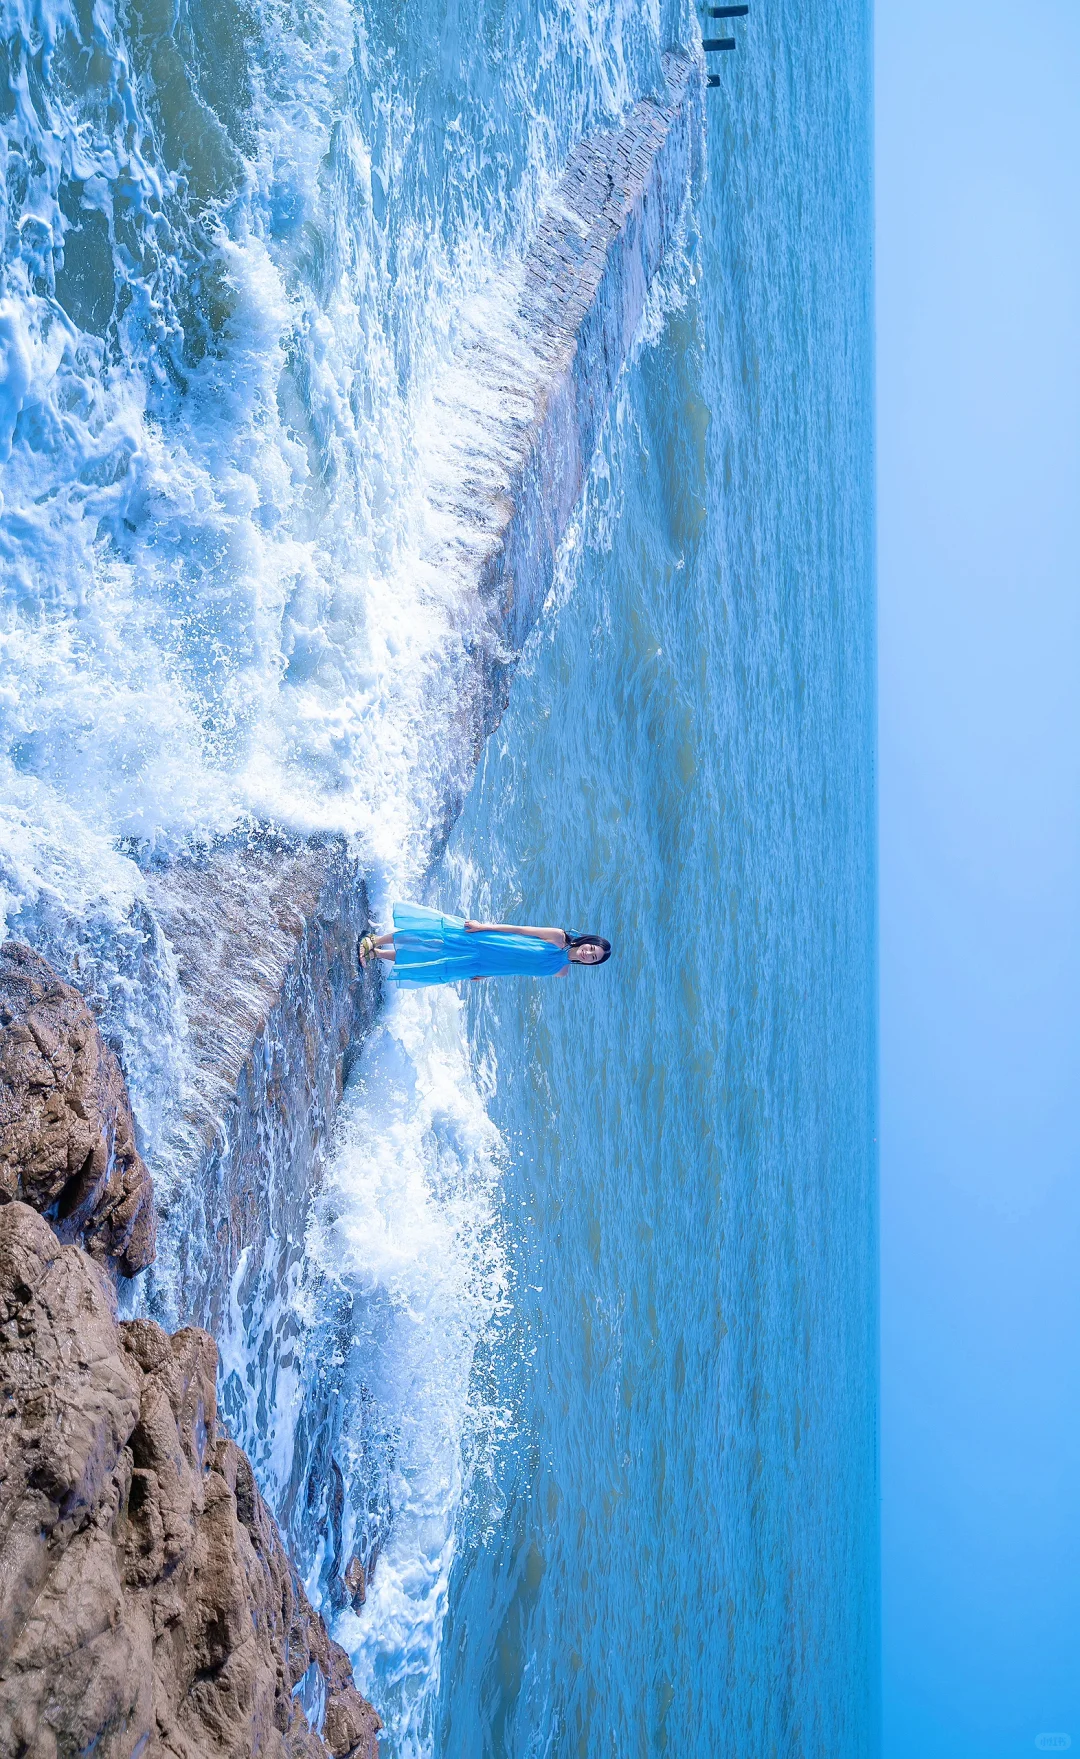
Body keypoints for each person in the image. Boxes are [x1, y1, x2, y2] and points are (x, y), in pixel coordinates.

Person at [359, 903, 611, 987]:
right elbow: (518, 930)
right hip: (487, 941)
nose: (589, 954)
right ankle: (376, 940)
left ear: (591, 963)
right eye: (592, 949)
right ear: (588, 942)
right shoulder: (558, 937)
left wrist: (487, 974)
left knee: (436, 965)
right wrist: (483, 926)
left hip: (485, 964)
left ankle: (378, 954)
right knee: (435, 938)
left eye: (593, 958)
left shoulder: (561, 971)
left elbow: (518, 968)